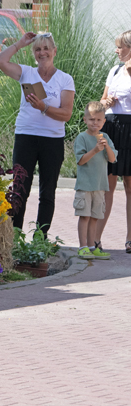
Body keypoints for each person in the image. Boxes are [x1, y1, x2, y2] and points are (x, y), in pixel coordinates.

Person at [0, 31, 76, 236]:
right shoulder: (26, 73)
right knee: (20, 188)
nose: (42, 53)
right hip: (26, 137)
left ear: (54, 52)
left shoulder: (65, 79)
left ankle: (40, 238)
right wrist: (20, 44)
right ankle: (15, 237)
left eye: (46, 48)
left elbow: (66, 114)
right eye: (38, 49)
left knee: (47, 191)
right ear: (34, 53)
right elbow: (0, 60)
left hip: (52, 141)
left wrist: (43, 107)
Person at [96, 30, 131, 252]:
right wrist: (106, 101)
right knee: (106, 185)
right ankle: (96, 239)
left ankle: (130, 238)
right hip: (111, 128)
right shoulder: (115, 69)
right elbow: (102, 99)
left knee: (129, 185)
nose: (116, 50)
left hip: (130, 128)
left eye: (120, 46)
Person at [74, 102, 116, 260]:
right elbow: (81, 160)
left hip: (100, 186)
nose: (95, 123)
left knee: (95, 216)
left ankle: (92, 246)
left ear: (104, 121)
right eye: (91, 119)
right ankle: (82, 246)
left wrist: (106, 148)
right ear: (85, 120)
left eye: (99, 120)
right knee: (84, 216)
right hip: (85, 185)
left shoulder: (105, 138)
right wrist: (95, 150)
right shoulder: (82, 138)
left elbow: (112, 159)